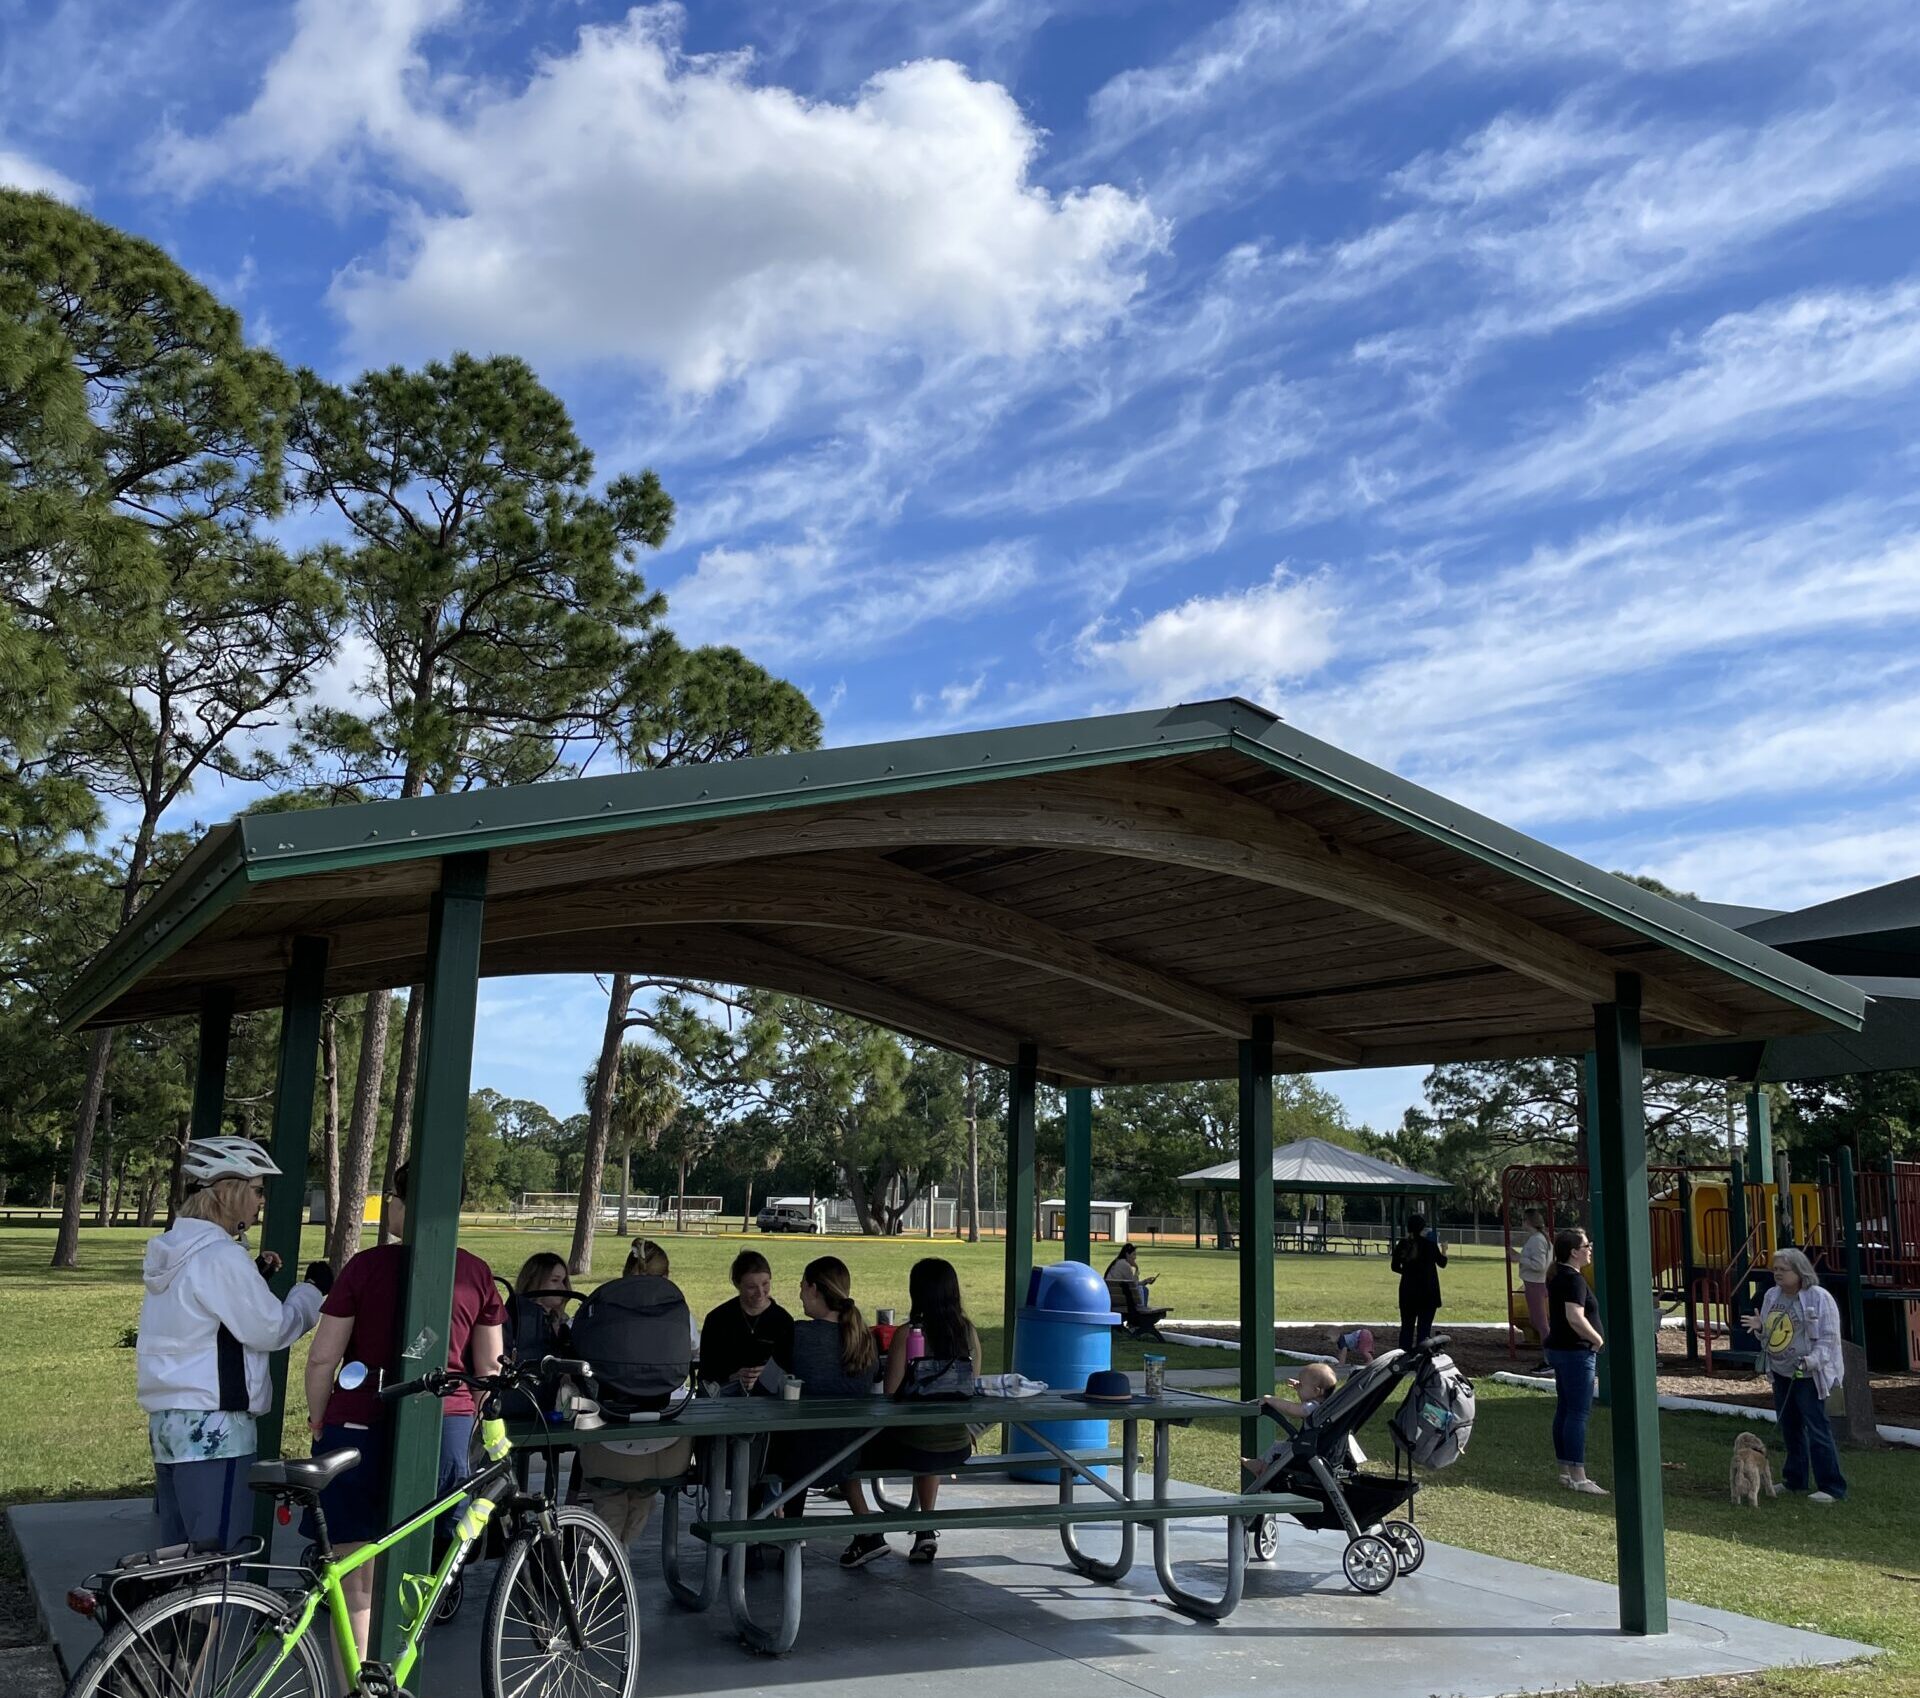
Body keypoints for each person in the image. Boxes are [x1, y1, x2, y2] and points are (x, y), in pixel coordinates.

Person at [303, 1162, 505, 1658]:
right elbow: (489, 1371)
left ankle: (355, 1690)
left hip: (355, 1425)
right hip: (445, 1430)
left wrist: (317, 1415)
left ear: (401, 1204)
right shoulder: (477, 1274)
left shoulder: (363, 1268)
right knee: (415, 1580)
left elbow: (323, 1356)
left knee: (356, 1588)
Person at [136, 1137, 330, 1552]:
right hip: (217, 1429)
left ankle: (172, 1620)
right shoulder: (219, 1257)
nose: (260, 1202)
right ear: (230, 1192)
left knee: (180, 1558)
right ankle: (215, 1622)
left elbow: (205, 1321)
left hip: (170, 1427)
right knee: (220, 1561)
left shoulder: (175, 1251)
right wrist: (311, 1292)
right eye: (258, 1190)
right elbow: (271, 1329)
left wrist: (253, 1274)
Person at [840, 1257, 981, 1570]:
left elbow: (891, 1392)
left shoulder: (908, 1334)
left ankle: (867, 1530)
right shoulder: (968, 1332)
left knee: (840, 1453)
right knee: (930, 1437)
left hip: (913, 1445)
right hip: (956, 1444)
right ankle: (925, 1526)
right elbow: (972, 1384)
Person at [774, 1257, 879, 1520]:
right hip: (850, 1454)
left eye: (801, 1286)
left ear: (813, 1289)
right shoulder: (865, 1339)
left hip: (800, 1457)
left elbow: (768, 1384)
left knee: (751, 1452)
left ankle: (757, 1541)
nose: (799, 1294)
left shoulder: (798, 1335)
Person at [1743, 1247, 1846, 1503]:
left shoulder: (1819, 1298)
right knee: (1790, 1428)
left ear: (1800, 1271)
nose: (1777, 1274)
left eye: (1783, 1269)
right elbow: (1769, 1334)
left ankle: (1832, 1487)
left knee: (1817, 1428)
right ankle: (1794, 1480)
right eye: (1775, 1269)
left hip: (1809, 1375)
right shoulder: (1771, 1296)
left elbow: (1829, 1338)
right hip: (1781, 1372)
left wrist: (1811, 1362)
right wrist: (1760, 1329)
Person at [1543, 1226, 1606, 1494]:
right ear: (1573, 1252)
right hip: (1575, 1352)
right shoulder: (1573, 1280)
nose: (1589, 1249)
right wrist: (1597, 1339)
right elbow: (1574, 1316)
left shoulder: (1559, 1276)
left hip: (1560, 1350)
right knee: (1578, 1413)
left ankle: (1566, 1471)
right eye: (1585, 1246)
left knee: (1565, 1409)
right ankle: (1579, 1475)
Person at [698, 1249, 795, 1391]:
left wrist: (768, 1375)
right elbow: (705, 1374)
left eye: (765, 1284)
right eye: (751, 1287)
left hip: (770, 1402)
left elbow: (791, 1371)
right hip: (726, 1400)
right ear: (737, 1284)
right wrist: (731, 1377)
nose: (760, 1293)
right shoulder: (718, 1319)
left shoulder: (783, 1321)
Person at [1242, 1361, 1338, 1476]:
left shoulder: (1312, 1406)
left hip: (1308, 1450)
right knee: (1280, 1448)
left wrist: (1270, 1399)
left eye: (1301, 1384)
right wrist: (1300, 1389)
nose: (1298, 1386)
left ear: (1316, 1391)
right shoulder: (1324, 1406)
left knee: (1277, 1447)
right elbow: (1305, 1404)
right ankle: (1264, 1469)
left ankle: (1261, 1467)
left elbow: (1292, 1409)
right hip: (1315, 1447)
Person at [629, 1236, 699, 1355]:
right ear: (666, 1276)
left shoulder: (607, 1306)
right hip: (665, 1372)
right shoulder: (679, 1312)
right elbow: (694, 1347)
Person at [1391, 1214, 1448, 1353]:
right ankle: (1421, 1357)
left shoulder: (1402, 1245)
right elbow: (1442, 1263)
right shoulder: (1430, 1245)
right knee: (1424, 1328)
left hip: (1408, 1292)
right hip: (1428, 1293)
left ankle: (1403, 1356)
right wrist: (1444, 1250)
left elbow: (1394, 1266)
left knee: (1406, 1327)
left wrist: (1407, 1273)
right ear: (1423, 1228)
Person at [1510, 1208, 1553, 1364]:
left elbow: (1539, 1265)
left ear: (1528, 1222)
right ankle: (1550, 1355)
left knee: (1541, 1323)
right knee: (1536, 1321)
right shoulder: (1541, 1238)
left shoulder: (1537, 1240)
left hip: (1536, 1284)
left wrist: (1520, 1258)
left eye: (1523, 1220)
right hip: (1535, 1283)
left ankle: (1550, 1358)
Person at [513, 1251, 573, 1353]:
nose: (562, 1287)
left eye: (563, 1281)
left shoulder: (561, 1320)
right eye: (554, 1280)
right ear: (533, 1282)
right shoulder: (517, 1319)